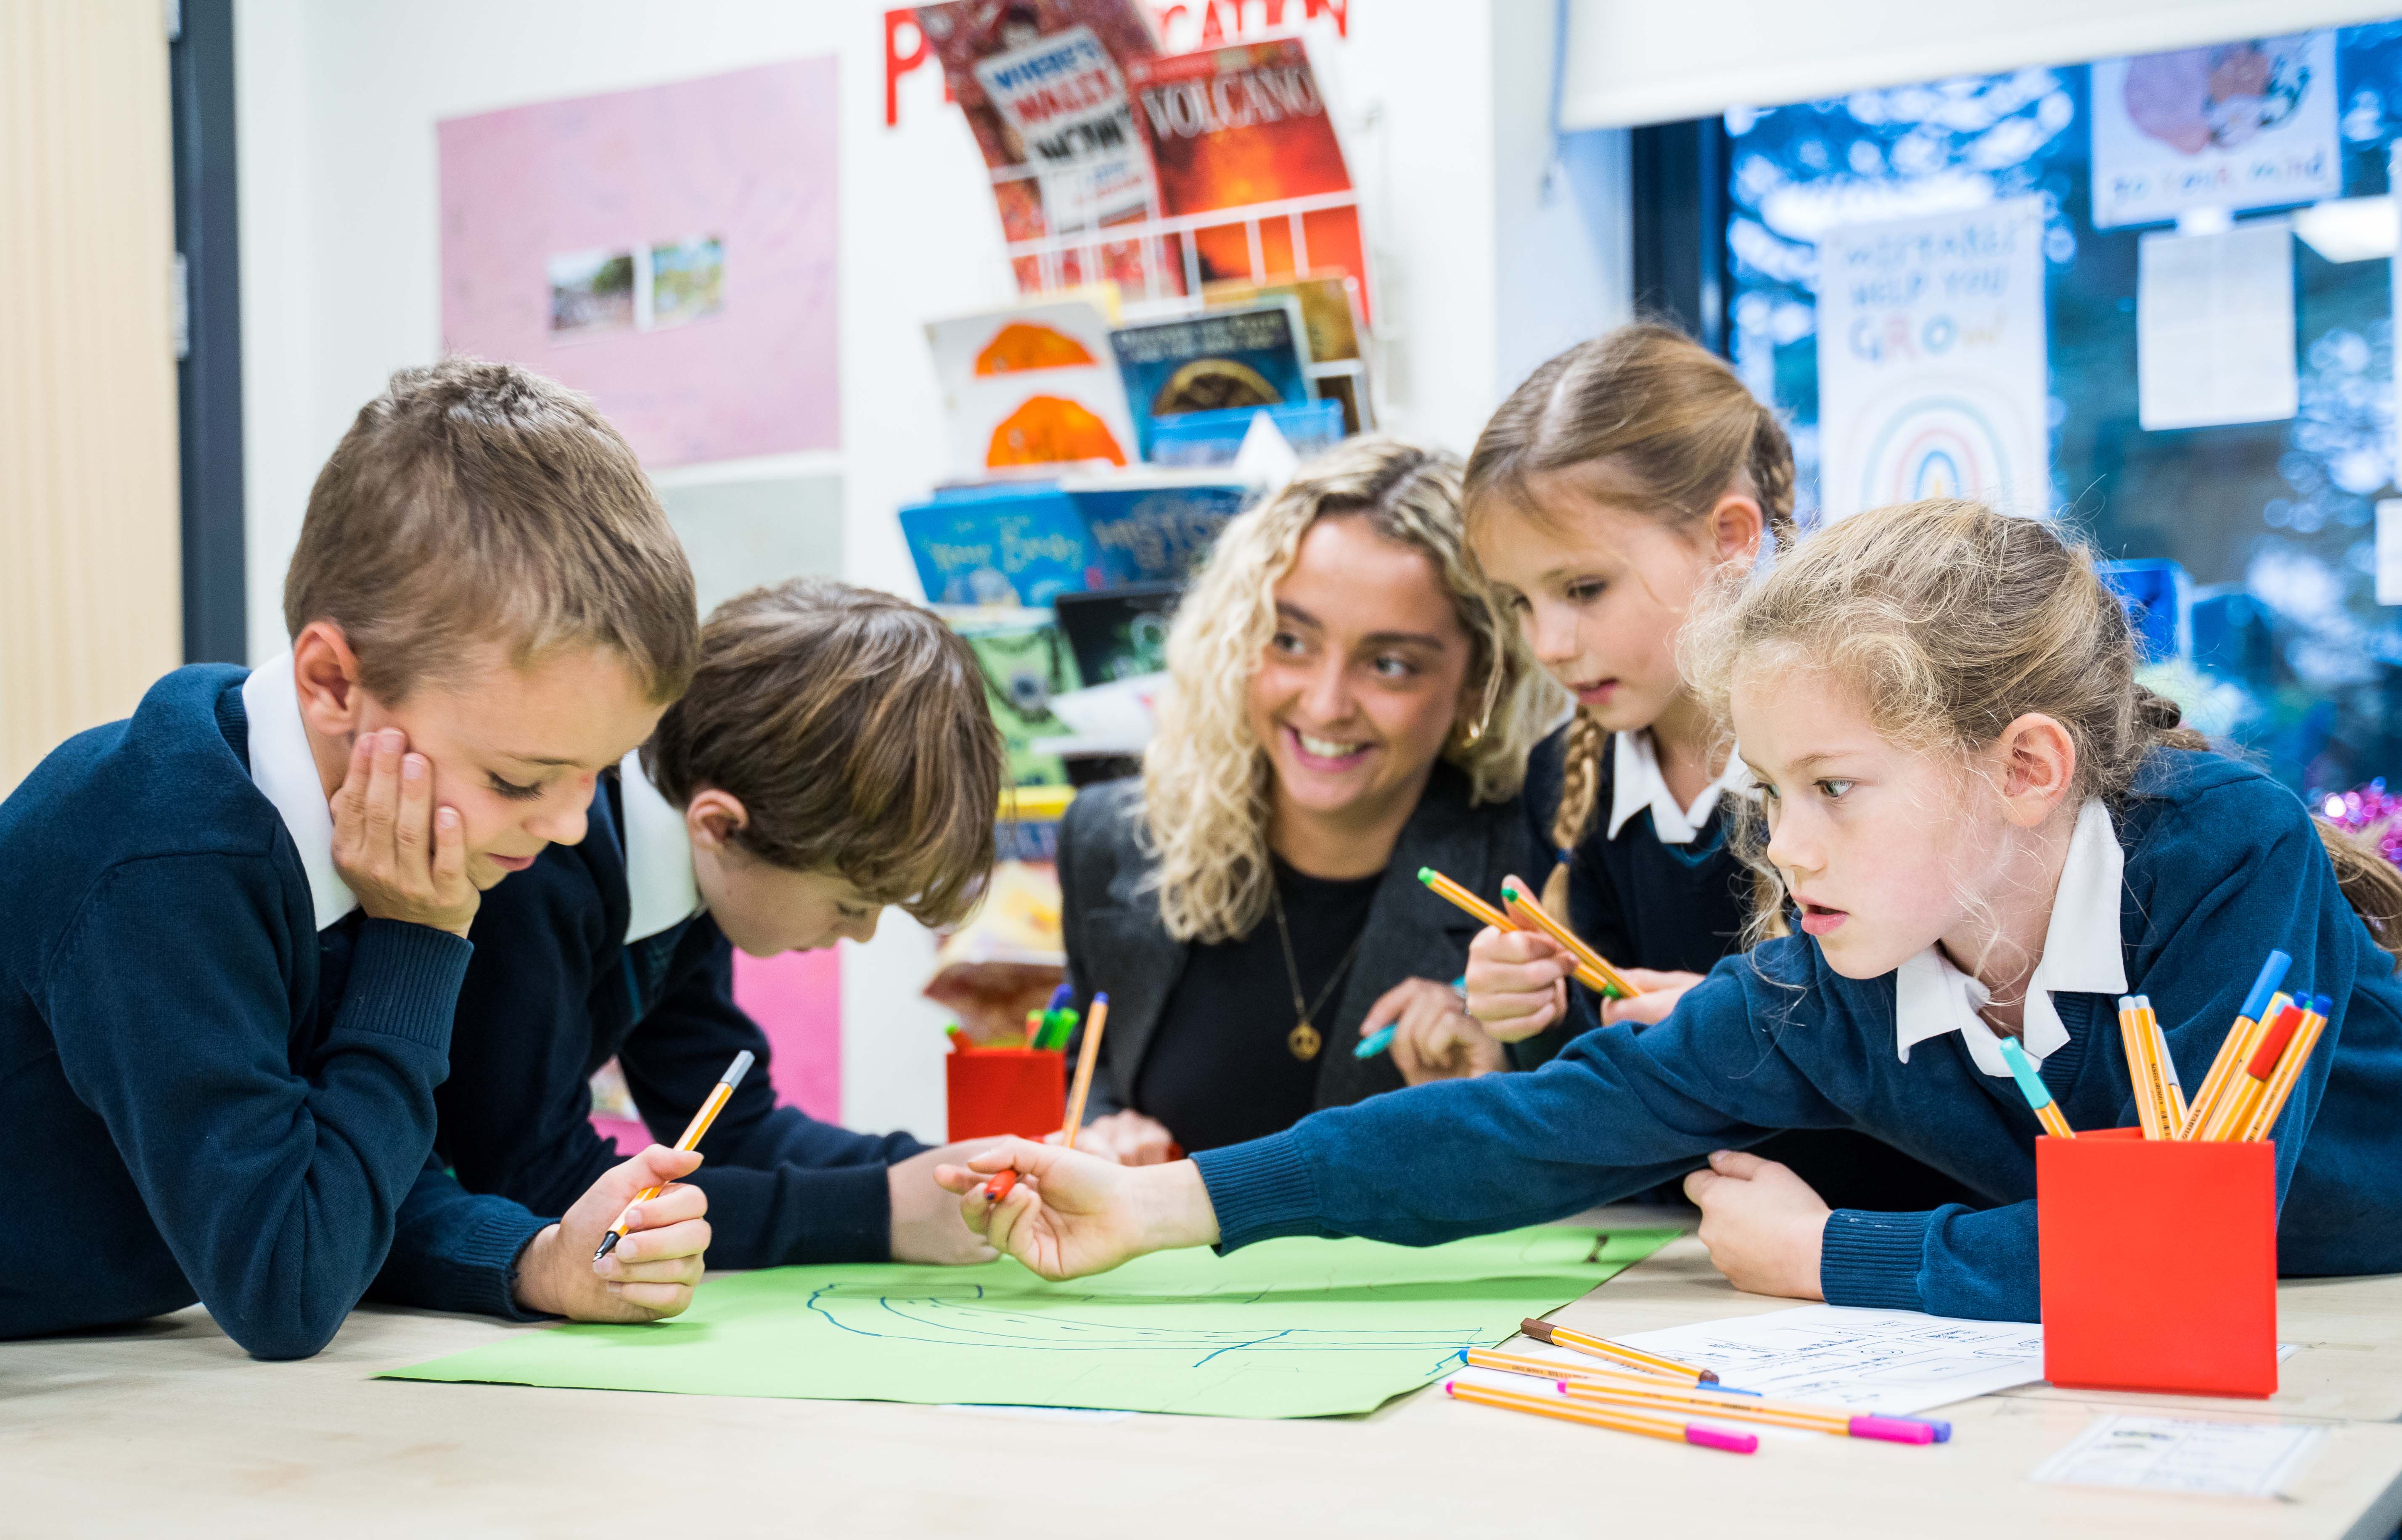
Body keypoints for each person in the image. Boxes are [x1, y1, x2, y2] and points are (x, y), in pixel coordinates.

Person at [937, 499, 2402, 1320]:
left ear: (2023, 770)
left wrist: (1830, 1258)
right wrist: (1159, 1206)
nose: (1785, 851)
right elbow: (1522, 1131)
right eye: (1767, 795)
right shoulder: (1837, 968)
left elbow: (2174, 1258)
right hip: (2217, 1353)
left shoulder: (2214, 857)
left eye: (1835, 790)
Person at [0, 359, 717, 1358]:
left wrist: (537, 1259)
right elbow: (290, 1284)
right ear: (334, 681)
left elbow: (347, 1178)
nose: (564, 829)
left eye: (594, 779)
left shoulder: (371, 829)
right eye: (521, 779)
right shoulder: (166, 859)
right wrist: (418, 943)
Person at [1460, 321, 1965, 1211]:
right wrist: (1531, 1022)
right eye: (1518, 602)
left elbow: (1946, 1076)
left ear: (1729, 538)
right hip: (1681, 1261)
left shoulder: (1859, 750)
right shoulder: (1564, 780)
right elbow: (1607, 1108)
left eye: (1582, 589)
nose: (1546, 642)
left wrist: (1743, 1033)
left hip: (1894, 1252)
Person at [412, 581, 1011, 1270]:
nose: (863, 933)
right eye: (850, 903)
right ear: (721, 826)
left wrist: (938, 1172)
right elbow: (539, 1183)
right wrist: (878, 1210)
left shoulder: (691, 879)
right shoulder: (540, 862)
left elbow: (732, 1130)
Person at [1059, 437, 1559, 1166]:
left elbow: (1591, 1150)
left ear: (1480, 682)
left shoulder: (1534, 864)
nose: (1325, 706)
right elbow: (1093, 1074)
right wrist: (1103, 1133)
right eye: (1290, 641)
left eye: (1389, 665)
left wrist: (1497, 1090)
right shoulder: (1115, 840)